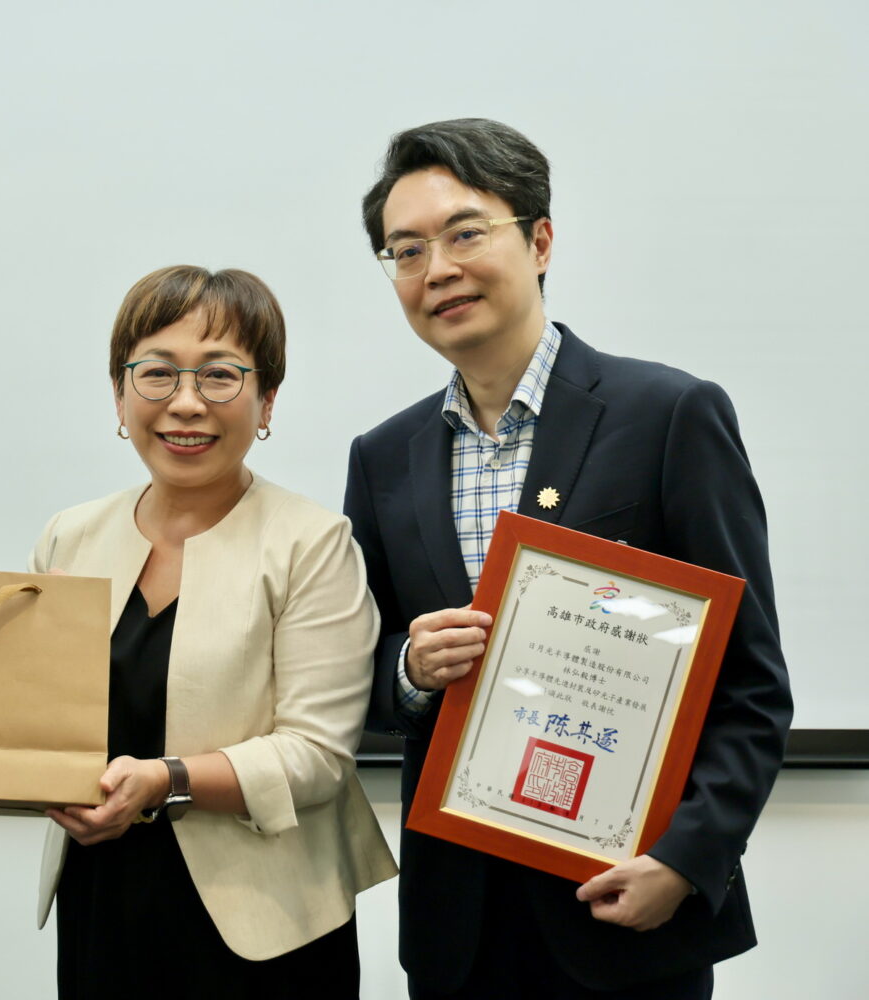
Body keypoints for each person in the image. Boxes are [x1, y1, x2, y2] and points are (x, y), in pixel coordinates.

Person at [342, 118, 792, 998]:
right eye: (407, 251)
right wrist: (409, 670)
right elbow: (359, 671)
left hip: (628, 908)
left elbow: (752, 682)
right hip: (459, 929)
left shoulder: (669, 415)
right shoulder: (384, 455)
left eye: (465, 234)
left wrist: (686, 857)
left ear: (540, 241)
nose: (438, 270)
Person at [31, 265, 397, 998]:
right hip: (103, 894)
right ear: (119, 395)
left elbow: (317, 755)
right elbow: (38, 717)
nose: (187, 403)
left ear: (267, 401)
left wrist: (162, 782)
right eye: (157, 373)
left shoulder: (313, 543)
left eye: (221, 376)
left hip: (266, 920)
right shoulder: (70, 537)